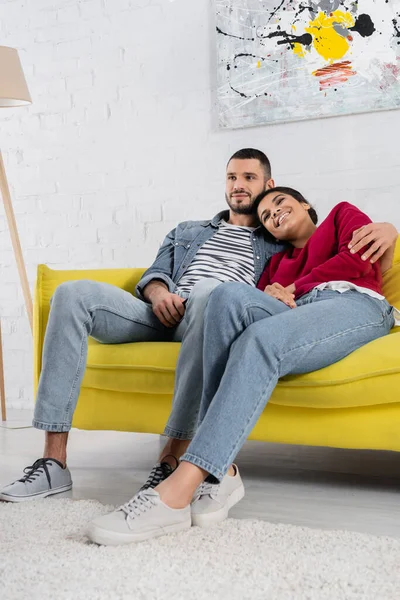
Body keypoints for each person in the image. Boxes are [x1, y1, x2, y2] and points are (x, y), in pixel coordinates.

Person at [0, 152, 396, 507]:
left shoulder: (275, 244)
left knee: (214, 293)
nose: (239, 185)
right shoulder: (188, 231)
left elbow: (295, 282)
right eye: (231, 178)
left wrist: (390, 230)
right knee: (71, 295)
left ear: (269, 186)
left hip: (212, 312)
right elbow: (156, 272)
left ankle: (174, 459)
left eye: (250, 179)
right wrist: (158, 294)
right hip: (161, 311)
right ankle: (53, 462)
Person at [86, 187, 396, 546]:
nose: (274, 214)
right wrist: (273, 292)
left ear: (306, 205)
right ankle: (223, 470)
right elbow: (255, 300)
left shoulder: (341, 215)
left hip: (351, 303)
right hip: (298, 309)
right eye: (265, 216)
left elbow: (357, 261)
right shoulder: (275, 264)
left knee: (260, 340)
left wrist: (292, 287)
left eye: (281, 204)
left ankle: (179, 490)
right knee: (227, 295)